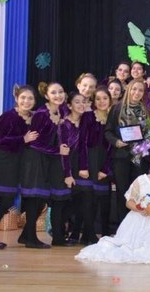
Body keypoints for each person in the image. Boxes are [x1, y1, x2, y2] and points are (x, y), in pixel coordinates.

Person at [75, 149, 150, 263]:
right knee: (127, 248)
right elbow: (129, 202)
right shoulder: (141, 180)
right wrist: (139, 209)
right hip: (138, 220)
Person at [19, 82, 70, 248]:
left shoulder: (60, 111)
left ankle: (25, 235)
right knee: (35, 199)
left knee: (40, 200)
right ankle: (31, 239)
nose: (58, 95)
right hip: (35, 159)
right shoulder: (42, 114)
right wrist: (57, 151)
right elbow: (35, 143)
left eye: (60, 92)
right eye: (53, 92)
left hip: (46, 159)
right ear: (47, 96)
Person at [0, 85, 38, 250]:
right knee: (2, 199)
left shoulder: (32, 118)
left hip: (18, 165)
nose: (26, 101)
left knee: (6, 201)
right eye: (23, 98)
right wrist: (22, 139)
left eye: (30, 98)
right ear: (16, 99)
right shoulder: (8, 116)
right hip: (3, 163)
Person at [105, 79, 150, 222]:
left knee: (138, 193)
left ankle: (136, 225)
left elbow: (149, 133)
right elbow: (108, 132)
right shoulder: (117, 108)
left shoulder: (146, 110)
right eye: (134, 89)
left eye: (140, 90)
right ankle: (122, 226)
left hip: (139, 158)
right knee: (122, 192)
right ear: (128, 90)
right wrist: (116, 142)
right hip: (121, 157)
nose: (137, 93)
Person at [78, 87, 113, 239]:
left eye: (105, 98)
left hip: (105, 162)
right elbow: (83, 142)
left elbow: (112, 146)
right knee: (88, 201)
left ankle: (104, 234)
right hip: (90, 159)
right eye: (98, 99)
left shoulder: (113, 117)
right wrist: (83, 166)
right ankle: (88, 234)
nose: (101, 101)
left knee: (103, 201)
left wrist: (106, 169)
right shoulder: (88, 117)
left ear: (110, 100)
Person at [58, 93, 88, 247]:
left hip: (81, 165)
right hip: (67, 164)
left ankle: (75, 233)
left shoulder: (86, 122)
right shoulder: (63, 124)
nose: (81, 104)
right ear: (69, 105)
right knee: (66, 202)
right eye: (77, 102)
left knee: (80, 201)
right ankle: (60, 233)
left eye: (84, 102)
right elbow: (63, 152)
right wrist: (67, 174)